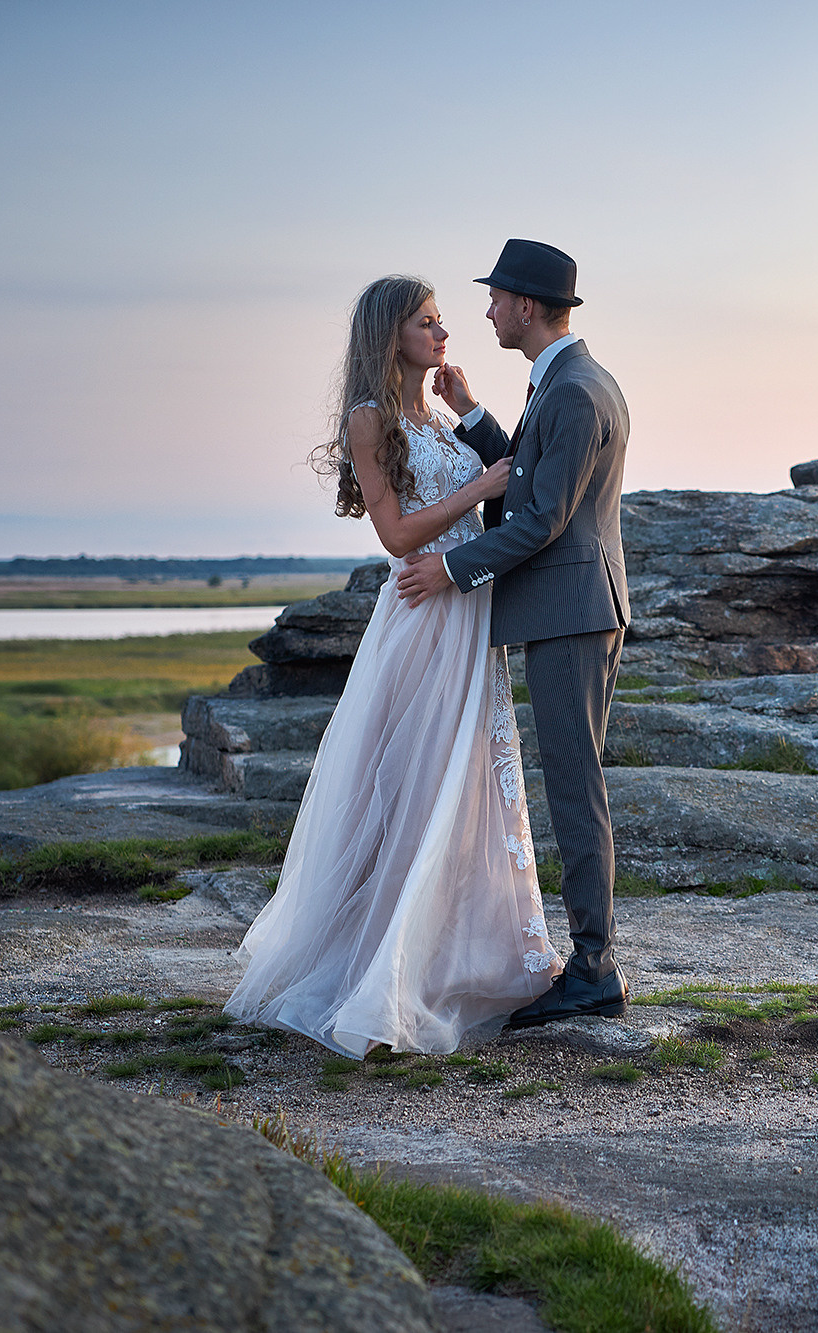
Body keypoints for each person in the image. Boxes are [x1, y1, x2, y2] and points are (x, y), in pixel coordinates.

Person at [224, 274, 562, 1057]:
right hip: (421, 618)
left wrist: (470, 409)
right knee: (415, 781)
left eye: (442, 321)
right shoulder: (369, 419)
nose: (443, 333)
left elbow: (518, 474)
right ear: (391, 335)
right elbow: (397, 536)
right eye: (427, 322)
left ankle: (470, 956)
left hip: (468, 613)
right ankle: (384, 966)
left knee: (471, 782)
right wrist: (478, 488)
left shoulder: (438, 416)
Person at [395, 238, 632, 1029]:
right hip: (572, 610)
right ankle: (591, 965)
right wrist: (473, 415)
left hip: (572, 613)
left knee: (574, 786)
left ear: (526, 306)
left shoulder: (573, 391)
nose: (488, 310)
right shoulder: (566, 380)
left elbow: (541, 519)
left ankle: (593, 971)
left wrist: (451, 569)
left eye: (496, 298)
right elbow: (527, 478)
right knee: (573, 780)